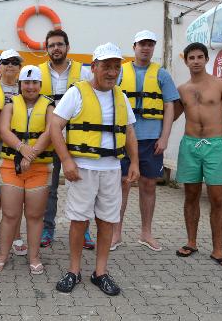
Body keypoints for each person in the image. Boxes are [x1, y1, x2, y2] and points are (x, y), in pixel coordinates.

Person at [50, 43, 139, 295]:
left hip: (111, 170)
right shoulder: (76, 93)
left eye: (116, 67)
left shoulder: (120, 96)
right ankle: (73, 271)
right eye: (106, 67)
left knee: (108, 221)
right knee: (79, 221)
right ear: (94, 67)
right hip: (82, 169)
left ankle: (100, 272)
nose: (112, 72)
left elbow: (129, 131)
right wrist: (66, 160)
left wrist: (134, 162)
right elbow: (55, 126)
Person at [173, 42, 222, 270]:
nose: (195, 61)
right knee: (191, 195)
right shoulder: (182, 89)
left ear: (206, 59)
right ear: (185, 61)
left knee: (218, 198)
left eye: (199, 57)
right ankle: (191, 242)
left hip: (214, 146)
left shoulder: (220, 85)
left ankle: (218, 250)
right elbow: (171, 117)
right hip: (190, 145)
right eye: (191, 58)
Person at [114, 30, 179, 252]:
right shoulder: (121, 72)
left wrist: (164, 137)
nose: (146, 48)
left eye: (150, 44)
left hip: (152, 140)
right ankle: (116, 233)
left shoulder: (162, 74)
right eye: (142, 44)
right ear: (134, 46)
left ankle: (146, 233)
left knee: (149, 185)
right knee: (122, 184)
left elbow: (170, 106)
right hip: (124, 138)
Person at [0, 65, 54, 274]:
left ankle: (34, 257)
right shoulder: (10, 105)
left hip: (39, 167)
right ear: (20, 84)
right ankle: (2, 255)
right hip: (11, 166)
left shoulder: (49, 106)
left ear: (40, 85)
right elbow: (3, 130)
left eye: (34, 82)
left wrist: (32, 154)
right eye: (26, 82)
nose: (30, 86)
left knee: (35, 216)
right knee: (10, 214)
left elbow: (49, 131)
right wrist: (22, 149)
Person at [38, 29, 94, 249]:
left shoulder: (84, 72)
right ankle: (46, 229)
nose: (56, 49)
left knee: (82, 188)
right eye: (51, 45)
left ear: (68, 47)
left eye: (60, 44)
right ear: (46, 49)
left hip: (77, 139)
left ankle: (85, 233)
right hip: (47, 139)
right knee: (48, 189)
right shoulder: (37, 73)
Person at [0, 49, 27, 257]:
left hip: (17, 149)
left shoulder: (26, 89)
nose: (10, 66)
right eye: (6, 62)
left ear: (20, 68)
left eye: (15, 63)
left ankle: (17, 235)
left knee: (16, 196)